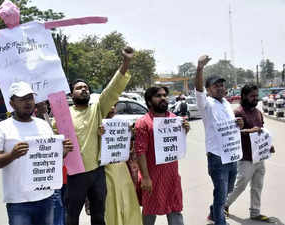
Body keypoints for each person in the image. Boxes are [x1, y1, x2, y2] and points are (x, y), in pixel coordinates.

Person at [0, 81, 73, 225]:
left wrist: (62, 152)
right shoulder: (2, 128)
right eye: (22, 99)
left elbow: (50, 158)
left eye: (30, 98)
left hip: (46, 197)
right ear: (12, 103)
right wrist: (12, 155)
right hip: (18, 201)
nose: (27, 102)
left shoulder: (44, 126)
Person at [65, 46, 133, 225]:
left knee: (98, 216)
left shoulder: (97, 109)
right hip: (75, 175)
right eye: (79, 88)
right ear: (72, 93)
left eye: (86, 87)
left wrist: (125, 62)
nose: (84, 89)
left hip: (97, 173)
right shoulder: (63, 115)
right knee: (71, 217)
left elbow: (112, 90)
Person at [194, 55, 244, 225]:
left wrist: (239, 123)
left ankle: (213, 210)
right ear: (208, 89)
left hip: (232, 155)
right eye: (216, 86)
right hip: (217, 157)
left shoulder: (226, 104)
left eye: (222, 85)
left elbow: (230, 126)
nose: (221, 88)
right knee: (221, 193)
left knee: (227, 190)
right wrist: (200, 68)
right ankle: (220, 221)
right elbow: (198, 90)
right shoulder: (206, 103)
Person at [135, 86, 190, 225]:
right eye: (158, 96)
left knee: (175, 210)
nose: (163, 98)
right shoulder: (143, 123)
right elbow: (140, 152)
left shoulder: (174, 119)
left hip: (172, 176)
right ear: (149, 101)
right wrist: (146, 178)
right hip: (152, 177)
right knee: (149, 213)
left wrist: (184, 130)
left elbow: (176, 144)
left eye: (165, 95)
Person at [224, 84, 275, 222]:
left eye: (256, 96)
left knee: (257, 186)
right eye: (252, 96)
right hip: (245, 158)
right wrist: (248, 131)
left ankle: (255, 212)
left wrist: (269, 145)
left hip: (260, 156)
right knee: (240, 185)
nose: (255, 98)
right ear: (244, 96)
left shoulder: (258, 112)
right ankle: (224, 205)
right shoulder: (238, 112)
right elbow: (231, 134)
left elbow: (262, 130)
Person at [99, 105, 143, 225]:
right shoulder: (96, 125)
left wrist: (130, 135)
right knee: (112, 206)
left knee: (129, 204)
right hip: (105, 171)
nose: (112, 107)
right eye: (110, 104)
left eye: (115, 104)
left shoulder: (121, 124)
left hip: (123, 170)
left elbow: (129, 151)